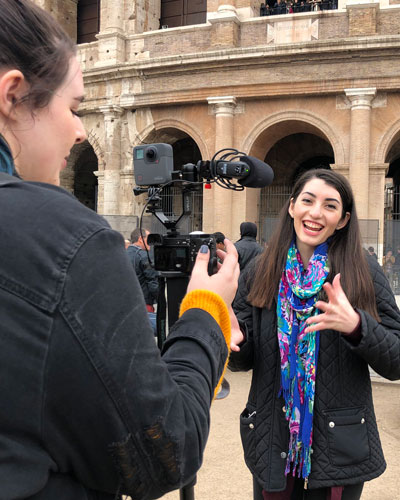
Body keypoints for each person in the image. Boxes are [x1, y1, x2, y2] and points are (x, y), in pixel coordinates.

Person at [0, 1, 240, 497]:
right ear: (13, 94)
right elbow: (165, 453)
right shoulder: (63, 238)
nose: (81, 129)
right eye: (73, 107)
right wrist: (204, 312)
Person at [229, 169, 400, 499]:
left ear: (342, 220)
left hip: (337, 443)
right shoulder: (260, 270)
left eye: (330, 206)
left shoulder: (362, 270)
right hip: (273, 436)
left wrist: (357, 327)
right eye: (308, 200)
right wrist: (232, 336)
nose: (315, 213)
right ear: (291, 207)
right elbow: (243, 361)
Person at [127, 227, 159, 331]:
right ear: (141, 239)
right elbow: (152, 283)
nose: (150, 242)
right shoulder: (143, 256)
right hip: (144, 303)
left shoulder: (123, 253)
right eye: (148, 239)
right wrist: (161, 300)